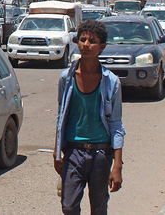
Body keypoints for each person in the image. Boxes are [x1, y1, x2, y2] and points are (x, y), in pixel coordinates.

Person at [54, 19, 125, 215]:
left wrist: (117, 165)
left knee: (99, 207)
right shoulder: (66, 79)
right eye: (83, 39)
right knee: (68, 206)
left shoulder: (111, 82)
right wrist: (56, 151)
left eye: (92, 41)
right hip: (73, 152)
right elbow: (61, 118)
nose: (86, 44)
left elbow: (116, 124)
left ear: (101, 47)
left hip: (101, 154)